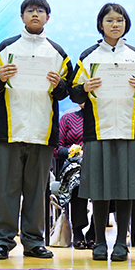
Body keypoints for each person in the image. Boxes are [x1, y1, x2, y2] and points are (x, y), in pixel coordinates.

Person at [0, 0, 70, 260]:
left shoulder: (58, 53)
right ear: (21, 16)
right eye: (30, 10)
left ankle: (34, 241)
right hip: (10, 130)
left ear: (48, 17)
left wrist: (58, 84)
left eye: (40, 10)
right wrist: (0, 77)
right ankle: (2, 241)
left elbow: (66, 91)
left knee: (37, 191)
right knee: (6, 190)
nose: (35, 14)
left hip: (43, 131)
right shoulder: (6, 47)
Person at [70, 3, 135, 261]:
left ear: (126, 24)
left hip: (129, 129)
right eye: (109, 20)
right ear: (101, 24)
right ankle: (99, 241)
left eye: (120, 20)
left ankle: (121, 242)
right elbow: (74, 93)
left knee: (126, 188)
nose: (115, 24)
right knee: (100, 187)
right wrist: (85, 87)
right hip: (98, 129)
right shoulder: (89, 56)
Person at [54, 105, 94, 249]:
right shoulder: (68, 118)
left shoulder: (103, 119)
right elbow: (56, 148)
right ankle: (78, 230)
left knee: (106, 179)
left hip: (98, 162)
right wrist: (74, 152)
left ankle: (94, 229)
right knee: (77, 179)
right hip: (73, 164)